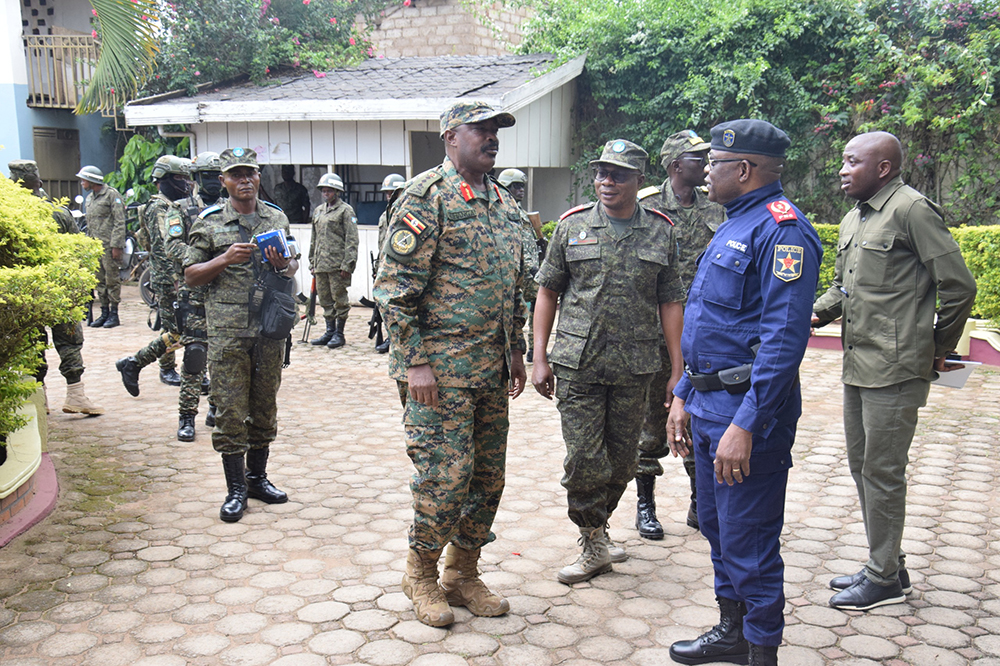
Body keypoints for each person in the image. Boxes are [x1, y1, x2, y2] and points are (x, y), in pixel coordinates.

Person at [665, 120, 821, 666]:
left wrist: (746, 425)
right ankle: (732, 632)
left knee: (749, 540)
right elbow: (710, 325)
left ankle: (761, 652)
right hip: (707, 404)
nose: (705, 171)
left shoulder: (783, 231)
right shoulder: (735, 223)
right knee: (715, 526)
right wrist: (683, 393)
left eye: (714, 163)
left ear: (745, 170)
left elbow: (782, 342)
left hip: (744, 415)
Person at [373, 100, 527, 628]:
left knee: (487, 477)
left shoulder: (504, 204)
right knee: (446, 476)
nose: (491, 138)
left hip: (490, 370)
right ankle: (420, 573)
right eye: (480, 130)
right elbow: (393, 292)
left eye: (495, 131)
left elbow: (513, 288)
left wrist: (516, 351)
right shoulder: (425, 197)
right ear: (450, 137)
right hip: (438, 375)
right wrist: (415, 364)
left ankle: (463, 573)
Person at [813, 131, 976, 612]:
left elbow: (959, 287)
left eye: (851, 161)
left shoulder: (912, 210)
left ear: (883, 167)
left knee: (883, 471)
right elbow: (845, 288)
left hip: (896, 366)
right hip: (858, 363)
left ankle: (882, 579)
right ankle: (888, 564)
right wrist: (814, 314)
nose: (842, 169)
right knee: (863, 467)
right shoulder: (854, 218)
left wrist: (936, 347)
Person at [531, 139, 685, 585]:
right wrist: (538, 356)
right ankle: (592, 539)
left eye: (618, 174)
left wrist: (677, 369)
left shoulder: (661, 230)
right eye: (601, 172)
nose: (606, 181)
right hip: (578, 364)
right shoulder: (572, 226)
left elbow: (671, 301)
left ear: (640, 181)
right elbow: (547, 292)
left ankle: (598, 527)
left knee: (622, 461)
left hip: (636, 365)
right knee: (584, 458)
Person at [184, 148, 298, 523]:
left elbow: (294, 262)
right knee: (232, 411)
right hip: (228, 332)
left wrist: (286, 264)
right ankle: (235, 490)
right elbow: (191, 275)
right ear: (224, 181)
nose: (245, 180)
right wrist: (223, 259)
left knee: (264, 407)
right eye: (236, 175)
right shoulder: (210, 222)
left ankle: (257, 478)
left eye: (250, 173)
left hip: (268, 330)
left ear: (259, 176)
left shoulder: (275, 216)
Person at [633, 130, 725, 538]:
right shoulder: (647, 208)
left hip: (704, 338)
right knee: (651, 425)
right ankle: (645, 505)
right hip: (654, 337)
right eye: (696, 158)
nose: (705, 165)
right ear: (674, 166)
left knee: (701, 421)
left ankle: (698, 503)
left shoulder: (718, 208)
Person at [9, 160, 103, 416]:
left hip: (26, 292)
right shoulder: (58, 213)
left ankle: (39, 398)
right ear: (38, 183)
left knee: (32, 342)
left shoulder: (10, 216)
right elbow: (78, 251)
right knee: (70, 341)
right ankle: (76, 394)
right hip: (61, 290)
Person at [115, 155, 192, 398]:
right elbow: (165, 246)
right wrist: (176, 279)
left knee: (174, 326)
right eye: (179, 178)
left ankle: (164, 367)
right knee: (178, 328)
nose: (185, 183)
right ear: (162, 180)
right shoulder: (161, 208)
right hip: (170, 277)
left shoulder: (170, 206)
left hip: (170, 276)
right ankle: (139, 363)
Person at [496, 168, 543, 363]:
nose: (521, 190)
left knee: (538, 303)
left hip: (529, 271)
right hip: (516, 271)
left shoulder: (519, 212)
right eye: (516, 186)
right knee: (516, 308)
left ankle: (532, 348)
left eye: (522, 186)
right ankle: (515, 348)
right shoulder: (502, 210)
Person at [308, 173, 359, 349]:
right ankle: (329, 331)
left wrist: (348, 264)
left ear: (337, 192)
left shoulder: (346, 211)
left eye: (329, 190)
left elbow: (352, 240)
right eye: (324, 190)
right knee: (325, 299)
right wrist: (312, 261)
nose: (326, 193)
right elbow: (314, 238)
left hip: (338, 265)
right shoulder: (318, 211)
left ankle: (339, 333)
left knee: (340, 300)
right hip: (321, 264)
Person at [78, 165, 126, 328]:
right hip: (95, 246)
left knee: (112, 279)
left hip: (109, 245)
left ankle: (114, 313)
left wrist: (117, 245)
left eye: (84, 180)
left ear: (92, 180)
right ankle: (104, 312)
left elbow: (120, 221)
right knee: (99, 281)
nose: (82, 183)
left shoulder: (112, 195)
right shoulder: (90, 198)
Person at [373, 173, 406, 354]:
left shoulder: (407, 215)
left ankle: (398, 340)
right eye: (387, 193)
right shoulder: (383, 217)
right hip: (385, 270)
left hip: (401, 271)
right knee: (385, 306)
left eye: (393, 192)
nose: (389, 197)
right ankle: (389, 337)